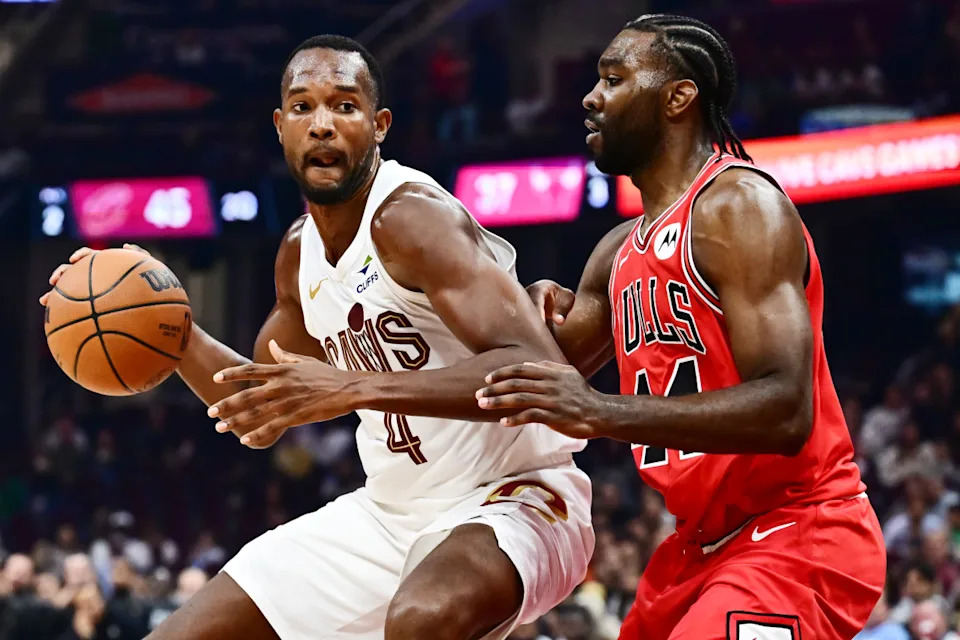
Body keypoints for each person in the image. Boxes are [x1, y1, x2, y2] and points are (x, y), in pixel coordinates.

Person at [39, 35, 593, 640]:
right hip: (390, 513)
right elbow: (258, 412)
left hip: (516, 498)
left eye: (344, 106)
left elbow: (543, 374)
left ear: (379, 125)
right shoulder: (299, 253)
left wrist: (353, 388)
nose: (322, 125)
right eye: (303, 107)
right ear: (280, 126)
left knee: (423, 618)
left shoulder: (412, 219)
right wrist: (164, 323)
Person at [476, 14, 885, 640]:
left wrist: (598, 410)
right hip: (697, 550)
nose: (590, 97)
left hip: (797, 532)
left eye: (614, 79)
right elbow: (541, 369)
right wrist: (524, 305)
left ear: (677, 97)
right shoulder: (618, 252)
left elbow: (785, 409)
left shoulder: (738, 206)